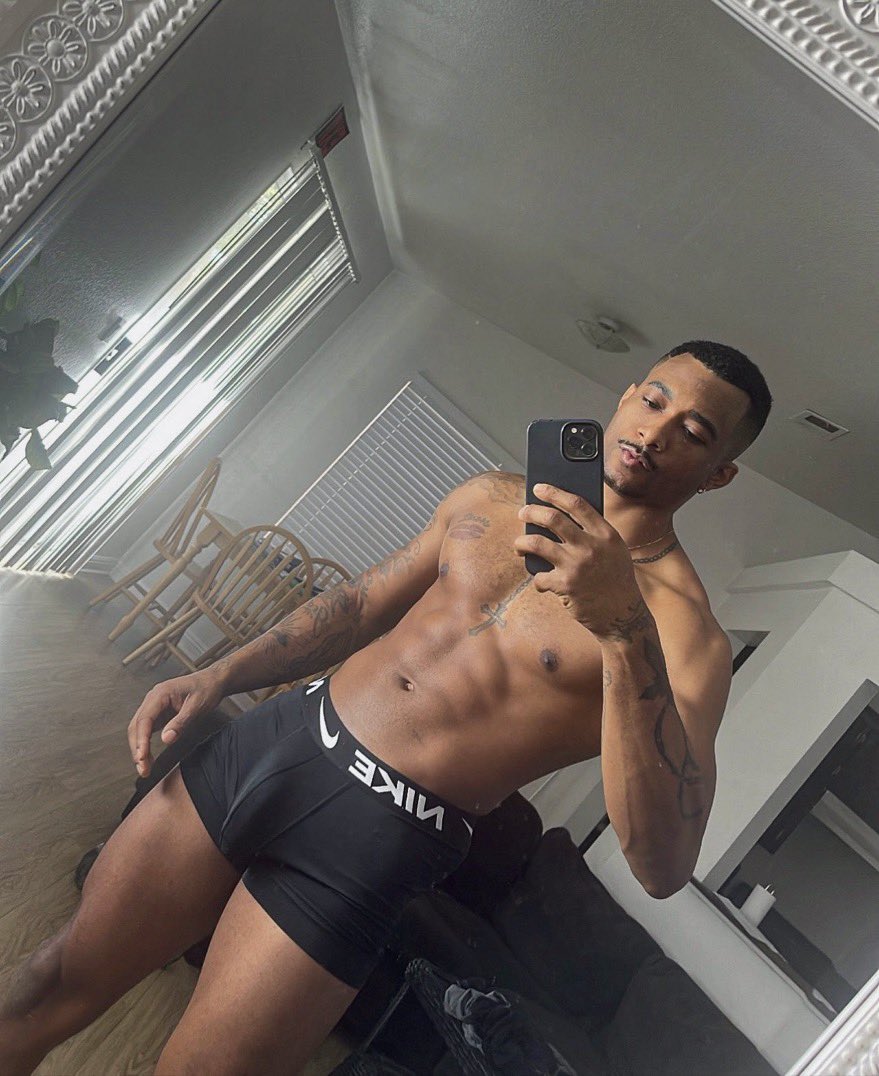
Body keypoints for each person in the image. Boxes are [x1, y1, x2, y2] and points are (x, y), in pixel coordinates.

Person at [0, 341, 772, 1074]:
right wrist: (223, 674)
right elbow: (362, 603)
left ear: (718, 474)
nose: (655, 431)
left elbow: (663, 863)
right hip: (278, 743)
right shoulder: (489, 497)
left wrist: (622, 627)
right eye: (653, 400)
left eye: (693, 431)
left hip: (381, 835)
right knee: (49, 981)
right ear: (626, 396)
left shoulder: (682, 635)